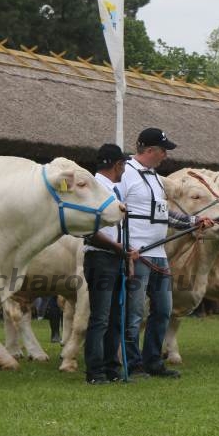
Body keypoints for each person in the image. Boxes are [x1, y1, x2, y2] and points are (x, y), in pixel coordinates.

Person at [122, 128, 213, 378]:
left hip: (159, 253)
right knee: (135, 312)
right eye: (163, 150)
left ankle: (153, 361)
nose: (165, 155)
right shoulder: (124, 174)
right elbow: (114, 212)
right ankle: (132, 363)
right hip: (137, 252)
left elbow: (165, 214)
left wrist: (193, 221)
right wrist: (124, 247)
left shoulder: (154, 177)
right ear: (150, 150)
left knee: (163, 309)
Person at [81, 144, 129, 384]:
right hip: (101, 256)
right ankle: (95, 371)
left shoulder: (112, 189)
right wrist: (117, 247)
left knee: (114, 317)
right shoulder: (96, 188)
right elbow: (88, 231)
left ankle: (112, 368)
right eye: (123, 165)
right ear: (117, 164)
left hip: (114, 257)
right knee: (100, 317)